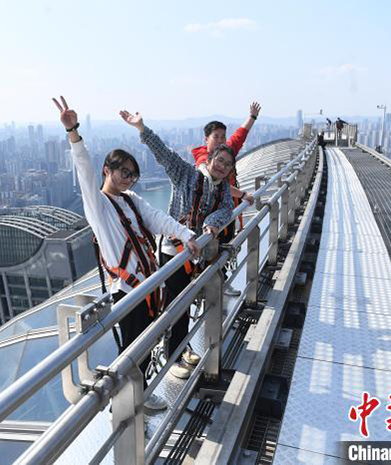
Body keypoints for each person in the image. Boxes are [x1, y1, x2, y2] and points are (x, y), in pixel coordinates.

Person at [53, 96, 199, 411]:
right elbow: (84, 173)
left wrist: (186, 234)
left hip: (148, 286)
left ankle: (140, 395)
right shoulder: (99, 205)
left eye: (133, 174)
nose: (128, 178)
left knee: (146, 345)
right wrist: (74, 132)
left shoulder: (131, 199)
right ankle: (134, 402)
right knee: (134, 350)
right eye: (123, 172)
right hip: (128, 291)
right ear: (108, 169)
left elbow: (158, 219)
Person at [121, 109, 234, 379]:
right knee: (177, 304)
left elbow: (227, 209)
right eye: (220, 160)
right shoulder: (187, 174)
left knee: (186, 302)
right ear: (211, 157)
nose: (222, 166)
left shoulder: (223, 189)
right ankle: (172, 358)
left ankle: (180, 349)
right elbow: (165, 155)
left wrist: (212, 222)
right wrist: (142, 129)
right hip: (173, 251)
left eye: (227, 164)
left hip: (194, 255)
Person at [191, 102, 260, 295]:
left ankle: (219, 282)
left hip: (225, 212)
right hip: (212, 217)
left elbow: (239, 136)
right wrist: (243, 194)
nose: (221, 140)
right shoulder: (204, 159)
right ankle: (214, 287)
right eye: (216, 137)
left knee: (223, 246)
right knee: (214, 249)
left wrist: (252, 117)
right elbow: (217, 184)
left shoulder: (224, 153)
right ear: (206, 139)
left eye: (223, 136)